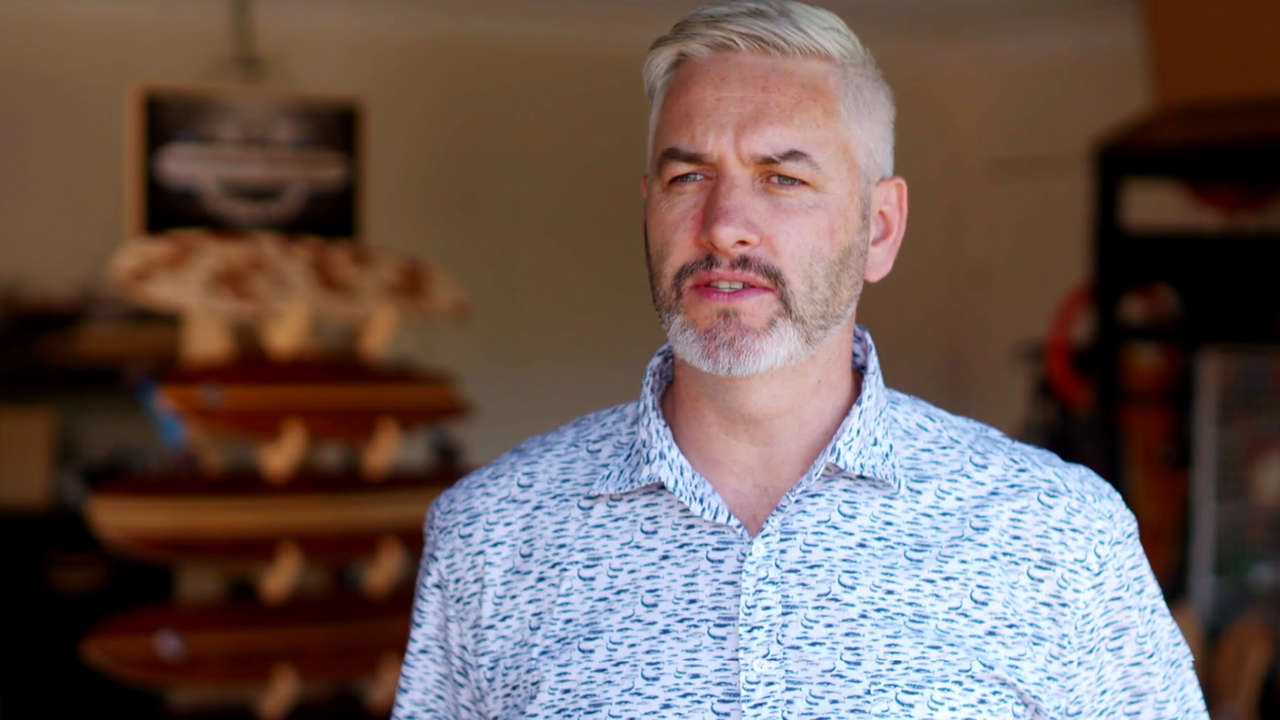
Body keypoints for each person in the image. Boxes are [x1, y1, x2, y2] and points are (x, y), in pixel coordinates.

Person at [393, 1, 1208, 717]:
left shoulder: (1055, 537)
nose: (724, 224)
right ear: (649, 210)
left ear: (879, 229)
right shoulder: (493, 537)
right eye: (688, 176)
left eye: (782, 178)